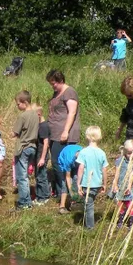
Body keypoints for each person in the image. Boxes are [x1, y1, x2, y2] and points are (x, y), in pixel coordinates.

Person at [46, 70, 81, 211]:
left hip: (65, 136)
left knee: (65, 166)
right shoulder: (57, 93)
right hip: (55, 134)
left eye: (53, 83)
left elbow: (71, 112)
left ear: (60, 80)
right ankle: (62, 194)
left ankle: (71, 197)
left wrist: (65, 131)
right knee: (56, 164)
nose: (52, 86)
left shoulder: (69, 92)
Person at [76, 126, 109, 229]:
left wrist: (78, 184)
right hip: (97, 183)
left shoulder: (83, 152)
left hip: (87, 183)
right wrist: (104, 183)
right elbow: (104, 170)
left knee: (89, 206)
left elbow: (81, 168)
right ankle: (88, 223)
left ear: (87, 136)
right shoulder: (102, 153)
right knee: (90, 203)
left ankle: (90, 228)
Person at [12, 91, 39, 210]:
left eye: (18, 104)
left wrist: (12, 134)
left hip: (23, 147)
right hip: (32, 147)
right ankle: (27, 200)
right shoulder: (36, 114)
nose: (17, 106)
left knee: (21, 177)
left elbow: (15, 132)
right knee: (26, 176)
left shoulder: (23, 116)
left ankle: (24, 203)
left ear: (25, 102)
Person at [111, 140, 133, 228]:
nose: (130, 155)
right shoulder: (120, 160)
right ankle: (120, 219)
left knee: (130, 204)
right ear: (124, 151)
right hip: (120, 185)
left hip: (129, 187)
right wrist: (115, 184)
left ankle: (131, 221)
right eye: (128, 153)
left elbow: (132, 175)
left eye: (132, 153)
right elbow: (117, 173)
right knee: (120, 204)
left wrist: (129, 186)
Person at [55, 143, 83, 215]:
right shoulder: (69, 159)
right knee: (65, 184)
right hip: (63, 162)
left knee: (76, 179)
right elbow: (68, 177)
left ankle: (74, 203)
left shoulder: (84, 155)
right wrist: (70, 189)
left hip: (75, 164)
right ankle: (62, 207)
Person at [33, 105, 51, 206]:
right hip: (38, 154)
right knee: (38, 175)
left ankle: (44, 197)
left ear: (38, 114)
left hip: (41, 155)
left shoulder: (44, 126)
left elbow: (46, 143)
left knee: (42, 176)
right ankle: (39, 196)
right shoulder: (39, 125)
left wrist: (43, 158)